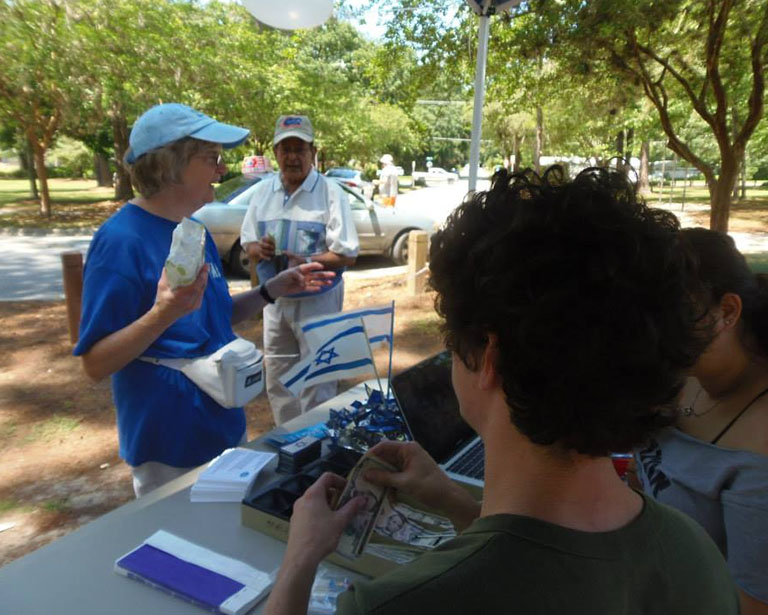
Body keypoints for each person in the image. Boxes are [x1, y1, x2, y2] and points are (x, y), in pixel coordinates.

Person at [263, 167, 739, 615]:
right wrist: (455, 502)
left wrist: (299, 558)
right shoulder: (693, 553)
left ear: (488, 358)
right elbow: (548, 565)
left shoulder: (399, 604)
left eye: (451, 339)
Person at [74, 103, 334, 498]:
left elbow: (215, 317)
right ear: (171, 165)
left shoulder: (194, 231)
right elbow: (95, 363)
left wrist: (272, 289)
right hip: (169, 447)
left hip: (223, 427)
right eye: (211, 158)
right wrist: (163, 313)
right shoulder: (121, 241)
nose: (220, 170)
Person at [635, 227, 768, 614]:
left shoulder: (759, 447)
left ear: (727, 311)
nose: (651, 336)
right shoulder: (682, 376)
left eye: (669, 317)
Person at [240, 115, 359, 425]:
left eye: (299, 148)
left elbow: (347, 254)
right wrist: (258, 250)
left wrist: (307, 262)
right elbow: (247, 243)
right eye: (285, 148)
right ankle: (288, 440)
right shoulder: (263, 192)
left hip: (318, 300)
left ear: (312, 152)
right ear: (276, 153)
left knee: (319, 375)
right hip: (275, 302)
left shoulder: (331, 193)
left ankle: (318, 442)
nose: (292, 156)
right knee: (278, 375)